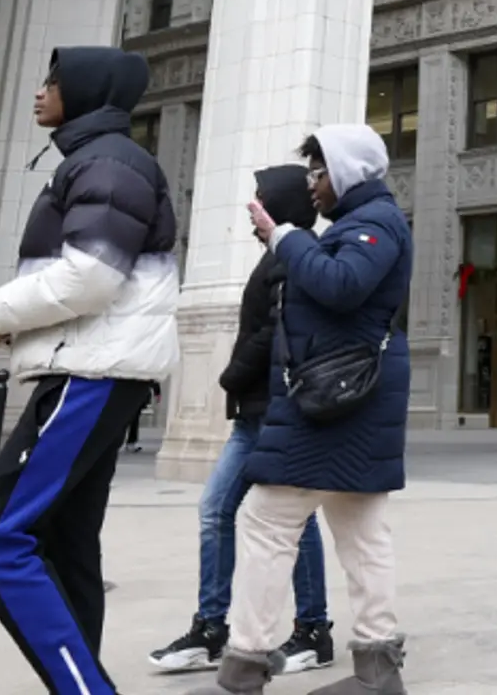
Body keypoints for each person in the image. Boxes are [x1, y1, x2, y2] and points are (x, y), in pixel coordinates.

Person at [0, 46, 179, 695]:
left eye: (53, 80)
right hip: (95, 369)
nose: (40, 90)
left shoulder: (108, 163)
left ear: (85, 91)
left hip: (92, 375)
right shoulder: (100, 160)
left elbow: (91, 274)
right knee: (63, 542)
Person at [190, 124, 412, 695]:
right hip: (342, 401)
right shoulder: (360, 223)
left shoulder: (377, 224)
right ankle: (377, 670)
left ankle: (243, 668)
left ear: (347, 172)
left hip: (336, 405)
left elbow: (341, 285)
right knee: (362, 531)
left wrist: (286, 238)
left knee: (266, 521)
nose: (311, 184)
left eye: (319, 172)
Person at [149, 164, 335, 676]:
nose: (252, 212)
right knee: (236, 513)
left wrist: (231, 375)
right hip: (258, 414)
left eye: (260, 202)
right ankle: (217, 627)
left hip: (273, 412)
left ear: (281, 208)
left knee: (277, 517)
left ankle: (308, 629)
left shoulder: (291, 259)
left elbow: (275, 330)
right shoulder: (279, 256)